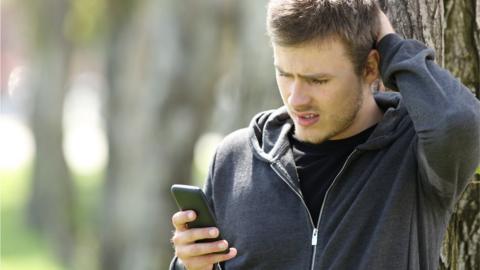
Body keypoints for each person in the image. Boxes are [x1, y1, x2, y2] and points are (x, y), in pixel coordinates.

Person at [170, 0, 480, 269]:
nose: (296, 98)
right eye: (284, 74)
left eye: (317, 80)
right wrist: (190, 264)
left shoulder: (414, 152)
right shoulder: (234, 160)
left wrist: (391, 45)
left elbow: (461, 122)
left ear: (372, 67)